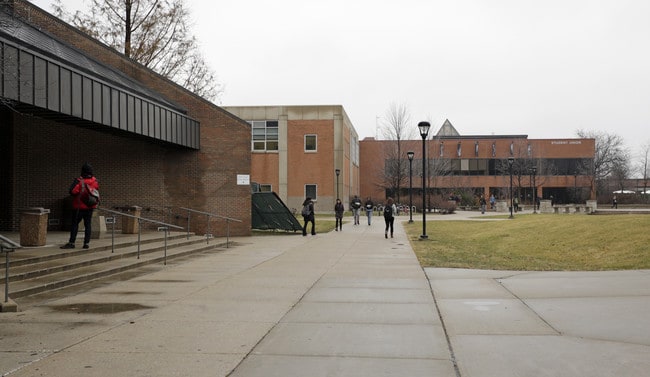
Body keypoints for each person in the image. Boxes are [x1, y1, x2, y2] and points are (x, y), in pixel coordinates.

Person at [61, 162, 99, 249]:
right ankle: (86, 243)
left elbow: (72, 192)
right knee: (88, 224)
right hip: (90, 206)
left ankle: (72, 242)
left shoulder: (79, 181)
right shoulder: (95, 181)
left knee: (74, 224)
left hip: (79, 207)